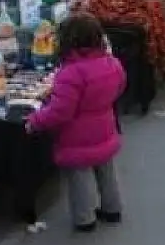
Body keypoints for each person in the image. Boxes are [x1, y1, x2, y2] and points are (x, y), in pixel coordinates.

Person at [26, 13, 125, 232]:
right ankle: (112, 209)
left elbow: (60, 112)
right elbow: (119, 88)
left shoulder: (71, 73)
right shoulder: (112, 63)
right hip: (105, 126)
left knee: (80, 177)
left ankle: (85, 218)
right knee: (106, 170)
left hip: (76, 135)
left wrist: (35, 121)